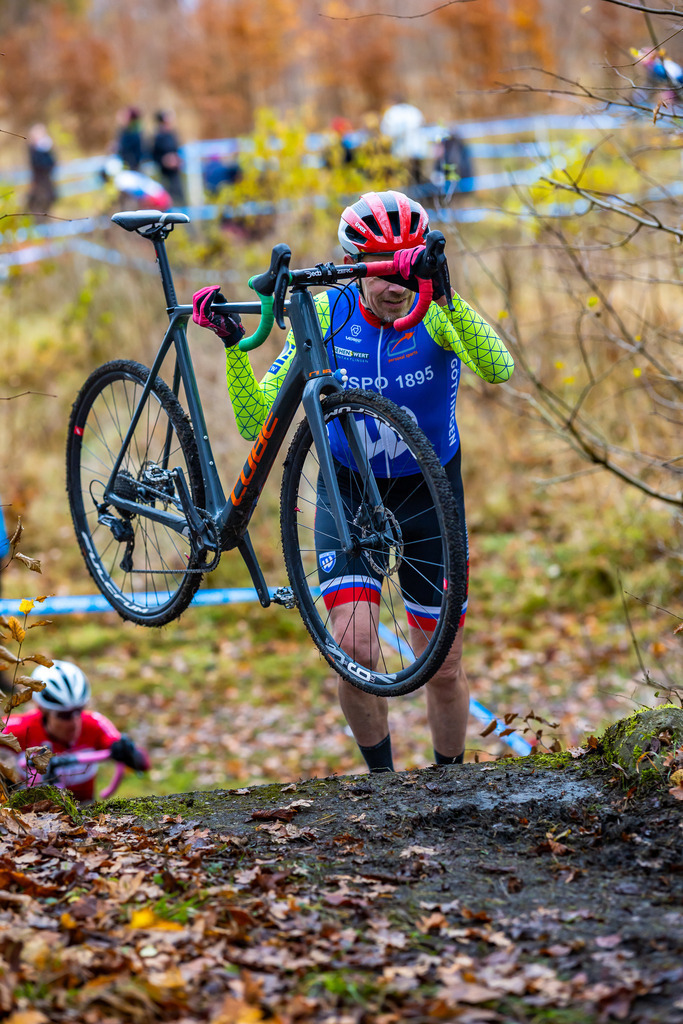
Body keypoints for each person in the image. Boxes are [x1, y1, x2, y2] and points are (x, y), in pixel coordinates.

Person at [192, 190, 514, 774]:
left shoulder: (437, 309)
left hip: (428, 493)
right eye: (383, 270)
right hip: (348, 492)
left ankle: (451, 780)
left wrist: (445, 293)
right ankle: (381, 781)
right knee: (355, 651)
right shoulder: (327, 313)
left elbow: (501, 367)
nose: (396, 285)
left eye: (406, 267)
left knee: (442, 665)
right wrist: (235, 349)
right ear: (357, 266)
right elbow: (254, 417)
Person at [3, 660, 149, 802]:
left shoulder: (95, 724)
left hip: (86, 811)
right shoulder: (21, 728)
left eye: (79, 711)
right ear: (43, 711)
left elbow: (144, 764)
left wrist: (129, 752)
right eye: (64, 715)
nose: (74, 722)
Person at [151, 109, 185, 206]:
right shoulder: (157, 136)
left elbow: (177, 150)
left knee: (178, 195)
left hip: (175, 171)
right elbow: (154, 154)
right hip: (164, 172)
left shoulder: (172, 134)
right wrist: (165, 160)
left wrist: (177, 159)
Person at [26, 123, 57, 215]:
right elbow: (39, 165)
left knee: (47, 212)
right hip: (39, 188)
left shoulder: (46, 150)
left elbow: (51, 163)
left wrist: (46, 149)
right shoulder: (33, 150)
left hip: (48, 187)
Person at [115, 106, 145, 171]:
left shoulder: (134, 131)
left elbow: (126, 148)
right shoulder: (125, 130)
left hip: (131, 164)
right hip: (126, 162)